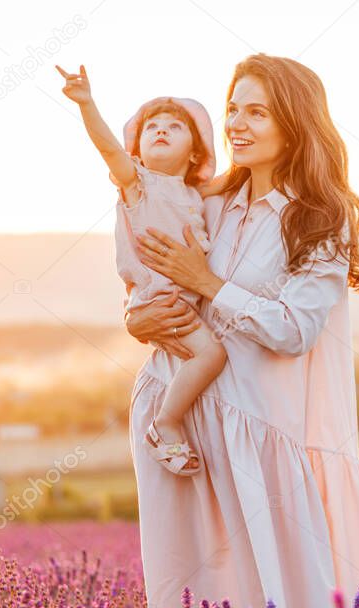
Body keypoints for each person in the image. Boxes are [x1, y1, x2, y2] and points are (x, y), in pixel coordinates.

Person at [124, 53, 359, 608]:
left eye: (256, 112)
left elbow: (294, 329)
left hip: (259, 438)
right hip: (174, 424)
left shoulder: (315, 221)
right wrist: (137, 319)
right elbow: (151, 281)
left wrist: (207, 282)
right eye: (233, 109)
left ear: (294, 123)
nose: (236, 124)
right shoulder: (205, 199)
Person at [57, 64, 228, 477]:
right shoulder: (138, 184)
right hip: (160, 300)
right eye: (152, 126)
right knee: (212, 354)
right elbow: (108, 148)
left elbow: (239, 177)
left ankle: (177, 425)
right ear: (137, 150)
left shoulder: (192, 191)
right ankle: (165, 424)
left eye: (174, 126)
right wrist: (86, 104)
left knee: (200, 358)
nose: (161, 130)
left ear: (194, 155)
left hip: (181, 301)